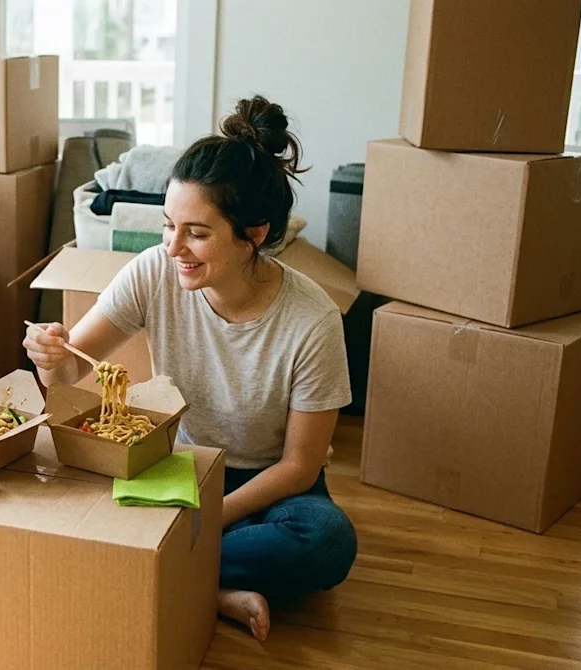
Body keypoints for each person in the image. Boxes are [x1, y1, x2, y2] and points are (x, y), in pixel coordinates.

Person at [23, 96, 357, 642]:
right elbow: (68, 375)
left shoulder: (313, 320)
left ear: (253, 233)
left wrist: (205, 521)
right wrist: (50, 356)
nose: (173, 247)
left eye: (197, 233)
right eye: (168, 225)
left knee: (327, 539)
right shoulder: (155, 270)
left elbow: (300, 466)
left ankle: (159, 566)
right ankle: (210, 585)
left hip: (271, 485)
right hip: (182, 464)